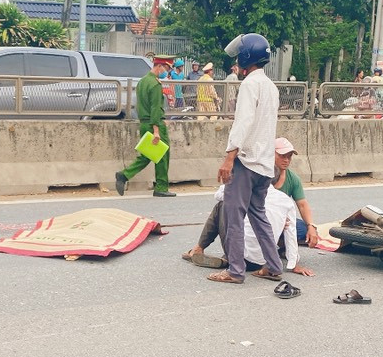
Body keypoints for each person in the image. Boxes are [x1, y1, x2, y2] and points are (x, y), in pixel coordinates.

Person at [210, 32, 283, 285]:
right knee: (258, 215)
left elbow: (243, 123)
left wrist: (229, 158)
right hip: (264, 165)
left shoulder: (250, 85)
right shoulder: (271, 87)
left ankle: (235, 270)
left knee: (233, 217)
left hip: (246, 161)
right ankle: (274, 266)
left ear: (245, 57)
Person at [182, 183, 313, 276]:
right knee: (285, 225)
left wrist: (236, 185)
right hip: (262, 261)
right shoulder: (284, 199)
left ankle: (200, 249)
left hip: (239, 256)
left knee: (221, 206)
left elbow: (219, 195)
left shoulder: (244, 190)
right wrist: (293, 264)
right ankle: (229, 260)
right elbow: (291, 232)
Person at [115, 59, 174, 197]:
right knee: (163, 156)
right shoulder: (155, 84)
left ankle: (124, 175)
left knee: (147, 155)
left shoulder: (142, 81)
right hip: (154, 124)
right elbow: (154, 107)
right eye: (166, 68)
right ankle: (161, 187)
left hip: (144, 123)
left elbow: (144, 104)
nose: (167, 71)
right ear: (159, 66)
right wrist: (157, 130)